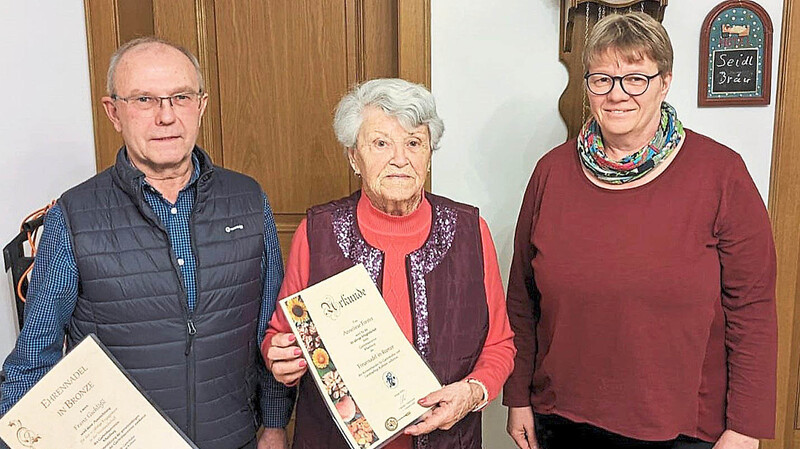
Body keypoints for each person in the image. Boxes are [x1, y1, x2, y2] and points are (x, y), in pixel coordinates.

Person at [0, 37, 293, 449]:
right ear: (113, 112)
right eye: (144, 99)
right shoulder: (75, 216)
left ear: (201, 106)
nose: (166, 117)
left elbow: (273, 327)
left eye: (180, 97)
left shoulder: (247, 200)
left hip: (234, 439)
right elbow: (35, 359)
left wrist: (276, 423)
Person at [503, 12, 777, 449]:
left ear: (665, 82)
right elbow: (522, 297)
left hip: (683, 429)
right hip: (563, 417)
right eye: (602, 79)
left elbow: (753, 310)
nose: (617, 95)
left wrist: (745, 428)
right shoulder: (551, 172)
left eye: (635, 78)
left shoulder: (721, 173)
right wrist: (517, 396)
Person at [262, 78, 516, 449]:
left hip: (446, 440)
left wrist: (472, 393)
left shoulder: (470, 232)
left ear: (429, 154)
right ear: (354, 156)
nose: (400, 159)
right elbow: (280, 336)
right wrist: (280, 359)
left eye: (413, 143)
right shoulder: (318, 231)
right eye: (381, 143)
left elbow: (500, 345)